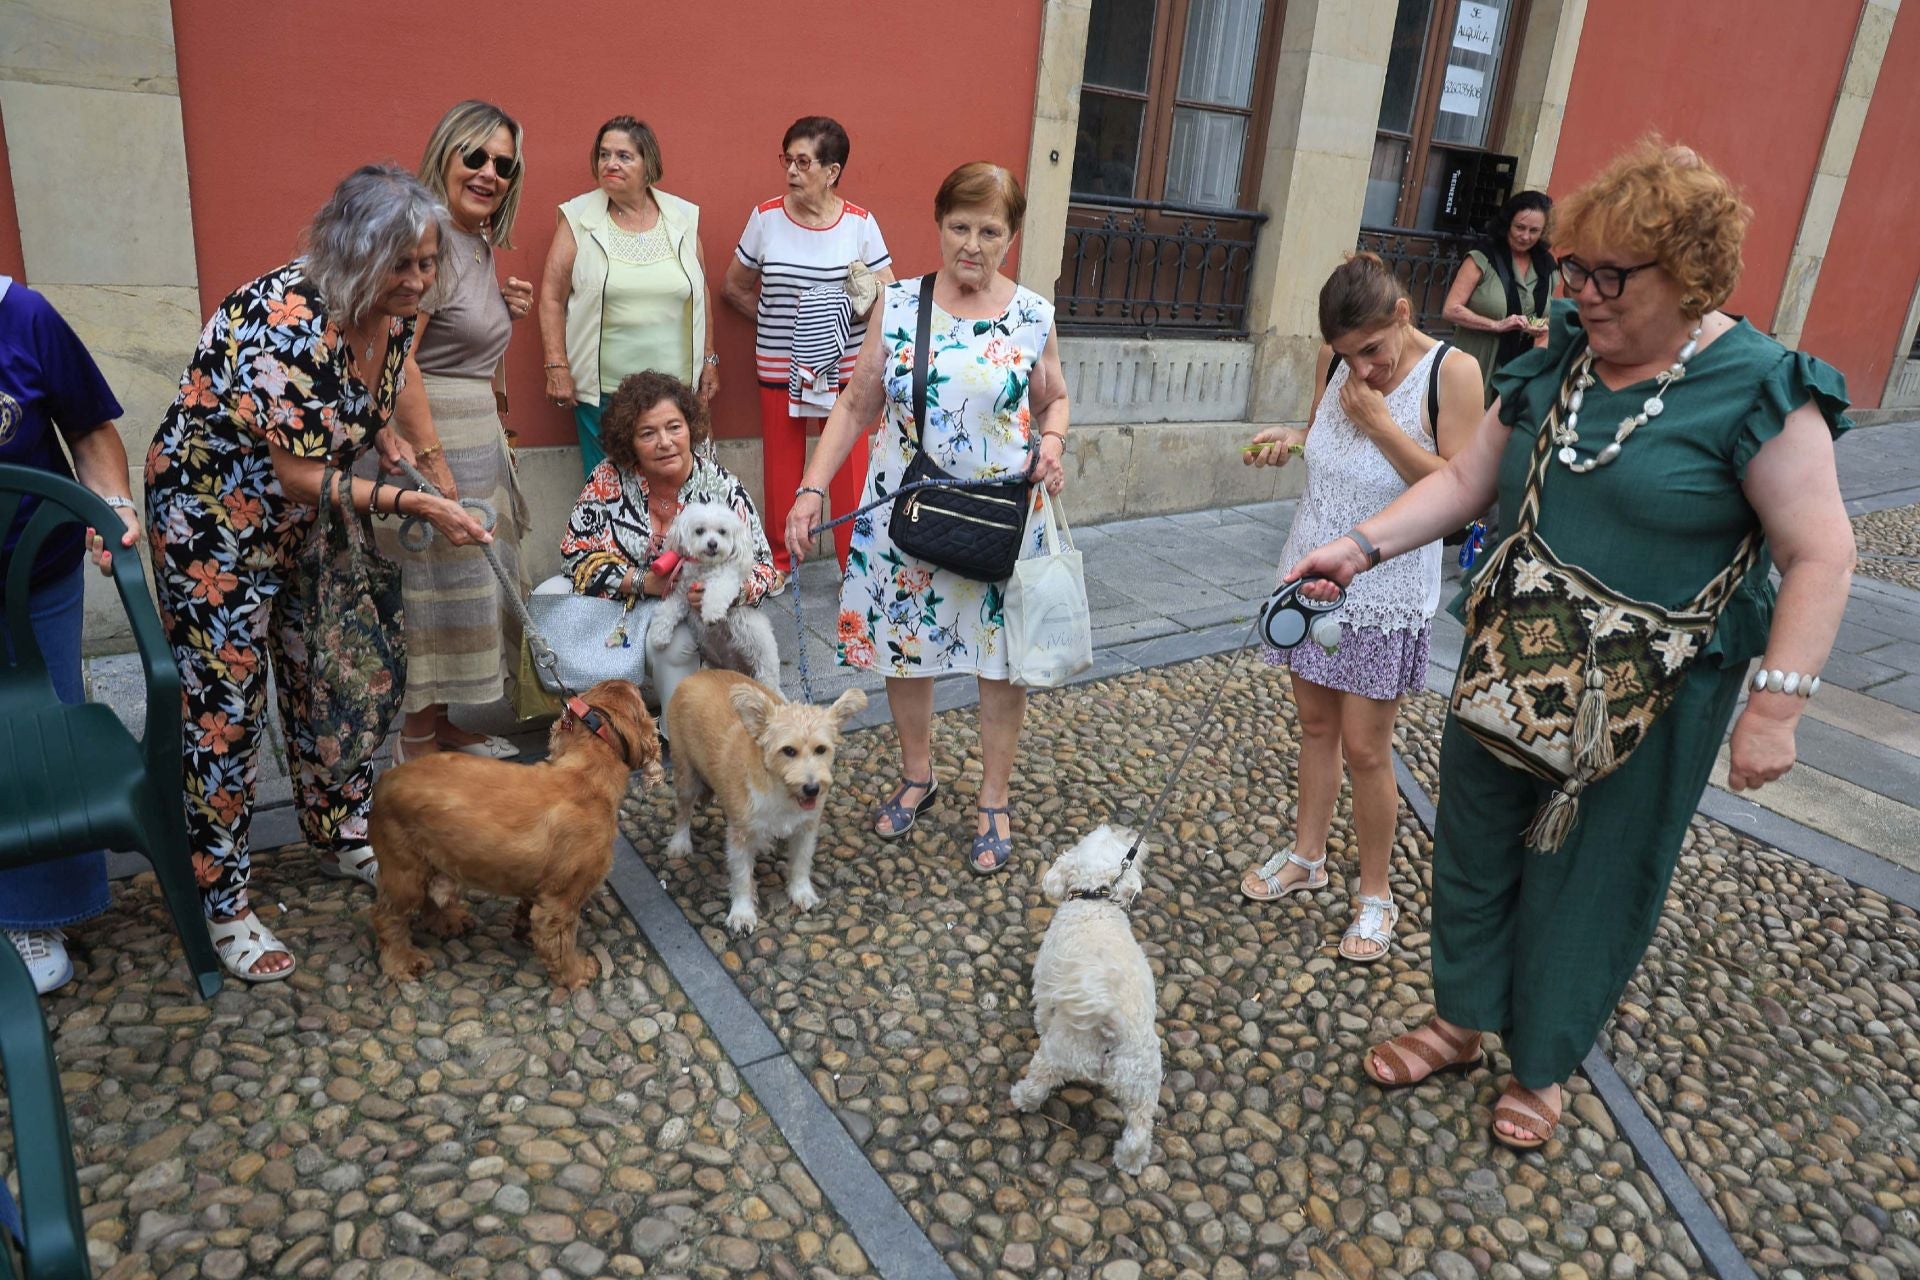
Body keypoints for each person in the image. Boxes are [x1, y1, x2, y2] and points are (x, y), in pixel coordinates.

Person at [1285, 140, 1855, 1149]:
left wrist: (1779, 702)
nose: (1578, 290)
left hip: (1650, 695)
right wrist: (1359, 546)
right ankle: (1461, 1017)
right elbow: (1467, 484)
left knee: (1591, 874)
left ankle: (1542, 1060)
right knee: (1472, 839)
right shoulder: (1560, 357)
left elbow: (1822, 550)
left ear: (1689, 275)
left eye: (1607, 275)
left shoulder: (1759, 386)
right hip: (1518, 656)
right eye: (1574, 267)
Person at [144, 166, 493, 982]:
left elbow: (397, 373)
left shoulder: (398, 306)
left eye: (428, 262)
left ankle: (339, 831)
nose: (417, 281)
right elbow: (298, 474)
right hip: (214, 519)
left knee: (334, 672)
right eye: (400, 265)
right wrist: (421, 506)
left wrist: (422, 456)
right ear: (352, 254)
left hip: (305, 512)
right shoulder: (287, 323)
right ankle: (222, 898)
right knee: (225, 709)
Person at [783, 162, 1069, 876]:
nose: (971, 244)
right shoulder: (901, 300)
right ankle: (918, 774)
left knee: (1001, 665)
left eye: (989, 231)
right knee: (905, 649)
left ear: (1011, 235)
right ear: (939, 224)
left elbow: (1054, 399)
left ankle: (994, 797)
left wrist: (1054, 444)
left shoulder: (1033, 314)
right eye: (959, 227)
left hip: (1001, 513)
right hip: (905, 509)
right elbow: (855, 405)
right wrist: (811, 490)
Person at [1236, 255, 1481, 963]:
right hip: (1312, 568)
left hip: (1386, 585)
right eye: (1348, 357)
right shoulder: (1337, 358)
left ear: (1402, 314)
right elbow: (1323, 434)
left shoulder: (1451, 373)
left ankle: (1377, 894)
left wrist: (1381, 425)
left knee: (1369, 749)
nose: (1361, 370)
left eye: (1372, 351)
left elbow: (1460, 491)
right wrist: (1292, 438)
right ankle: (1308, 856)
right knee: (1316, 728)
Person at [0, 278, 137, 993]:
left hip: (35, 575)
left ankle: (32, 910)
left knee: (37, 738)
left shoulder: (22, 314)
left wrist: (110, 505)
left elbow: (88, 430)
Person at [389, 100, 536, 765]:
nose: (488, 172)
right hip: (436, 437)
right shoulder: (433, 237)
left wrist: (501, 313)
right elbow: (399, 363)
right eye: (473, 157)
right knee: (432, 592)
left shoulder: (472, 242)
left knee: (462, 589)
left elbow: (454, 336)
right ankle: (417, 745)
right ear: (443, 155)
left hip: (474, 436)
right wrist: (432, 462)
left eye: (503, 164)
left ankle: (445, 724)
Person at [724, 116, 894, 575]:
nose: (791, 172)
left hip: (844, 370)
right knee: (782, 468)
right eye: (787, 160)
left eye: (803, 162)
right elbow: (735, 287)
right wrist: (780, 327)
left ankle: (852, 566)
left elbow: (889, 295)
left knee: (849, 467)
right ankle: (781, 564)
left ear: (832, 171)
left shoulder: (859, 224)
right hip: (781, 366)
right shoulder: (766, 219)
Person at [558, 371, 777, 718]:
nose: (665, 441)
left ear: (690, 427)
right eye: (648, 433)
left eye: (674, 427)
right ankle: (598, 713)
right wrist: (644, 582)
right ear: (629, 441)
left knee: (674, 646)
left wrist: (729, 592)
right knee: (550, 591)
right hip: (620, 602)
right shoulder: (609, 478)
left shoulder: (722, 488)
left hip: (692, 616)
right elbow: (574, 554)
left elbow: (765, 568)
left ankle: (682, 734)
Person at [539, 116, 715, 477]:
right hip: (604, 394)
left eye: (623, 156)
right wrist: (557, 366)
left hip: (675, 395)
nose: (611, 164)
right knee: (608, 489)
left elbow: (701, 294)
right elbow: (552, 297)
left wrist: (709, 360)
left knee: (674, 486)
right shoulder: (579, 219)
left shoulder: (681, 218)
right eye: (604, 155)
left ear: (648, 164)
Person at [1442, 190, 1559, 406]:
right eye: (1520, 227)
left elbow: (1546, 316)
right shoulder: (1482, 257)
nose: (1525, 236)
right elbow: (1451, 309)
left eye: (1534, 231)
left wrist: (1537, 326)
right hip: (1474, 362)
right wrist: (1496, 325)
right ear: (1507, 224)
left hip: (1518, 370)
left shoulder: (1548, 267)